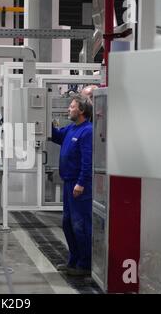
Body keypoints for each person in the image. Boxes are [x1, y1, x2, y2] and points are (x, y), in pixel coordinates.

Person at [52, 94, 93, 276]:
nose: (68, 109)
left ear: (82, 110)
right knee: (68, 224)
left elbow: (88, 161)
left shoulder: (87, 131)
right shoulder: (71, 129)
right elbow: (56, 135)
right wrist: (43, 119)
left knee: (80, 225)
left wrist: (81, 183)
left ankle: (85, 264)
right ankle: (73, 261)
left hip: (79, 187)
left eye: (72, 106)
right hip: (69, 184)